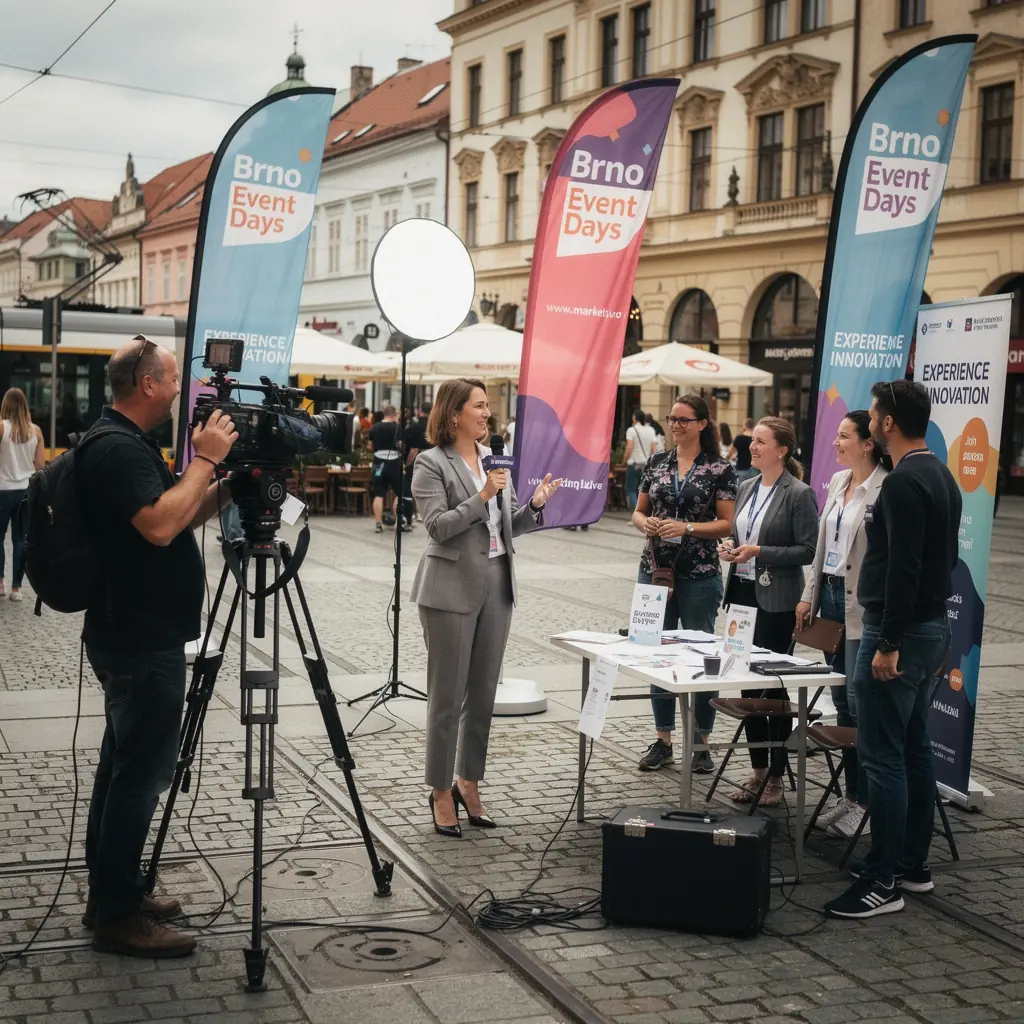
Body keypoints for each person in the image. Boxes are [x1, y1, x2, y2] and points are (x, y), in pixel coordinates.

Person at [78, 335, 238, 957]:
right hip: (139, 640)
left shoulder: (126, 443)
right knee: (138, 779)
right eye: (172, 378)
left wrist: (222, 482)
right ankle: (118, 914)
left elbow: (171, 515)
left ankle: (112, 892)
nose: (180, 389)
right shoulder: (116, 448)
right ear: (146, 385)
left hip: (138, 634)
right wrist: (204, 459)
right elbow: (162, 524)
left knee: (121, 773)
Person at [824, 380, 958, 919]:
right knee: (914, 747)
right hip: (928, 629)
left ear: (886, 423)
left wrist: (887, 643)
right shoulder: (940, 474)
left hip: (897, 632)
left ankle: (883, 880)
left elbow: (904, 569)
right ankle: (912, 865)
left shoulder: (902, 483)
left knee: (883, 757)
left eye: (875, 414)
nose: (872, 420)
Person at [411, 378, 561, 838]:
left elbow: (507, 523)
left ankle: (468, 782)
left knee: (482, 697)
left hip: (498, 583)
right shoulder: (430, 463)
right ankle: (439, 790)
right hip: (450, 589)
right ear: (454, 413)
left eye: (488, 406)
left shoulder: (495, 462)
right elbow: (437, 527)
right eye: (479, 406)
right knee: (446, 697)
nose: (487, 413)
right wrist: (482, 498)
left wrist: (533, 506)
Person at [632, 395, 736, 772]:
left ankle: (701, 742)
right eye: (671, 418)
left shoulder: (719, 469)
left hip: (699, 574)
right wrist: (647, 524)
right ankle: (663, 740)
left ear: (702, 424)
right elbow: (638, 512)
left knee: (702, 656)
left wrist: (687, 527)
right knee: (655, 652)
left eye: (683, 420)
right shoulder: (657, 462)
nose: (675, 425)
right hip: (655, 568)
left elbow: (726, 524)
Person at [796, 411, 888, 840]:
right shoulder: (836, 482)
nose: (835, 442)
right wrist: (809, 593)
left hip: (860, 603)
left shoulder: (885, 488)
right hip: (831, 596)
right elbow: (821, 546)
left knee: (858, 700)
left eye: (843, 436)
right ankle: (852, 796)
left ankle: (867, 802)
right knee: (841, 699)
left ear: (867, 443)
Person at [718, 417, 817, 806]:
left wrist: (760, 553)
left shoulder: (799, 493)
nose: (752, 447)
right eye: (752, 441)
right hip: (742, 595)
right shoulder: (745, 487)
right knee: (746, 685)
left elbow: (807, 550)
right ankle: (757, 769)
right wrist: (731, 548)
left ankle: (776, 775)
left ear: (782, 450)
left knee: (771, 689)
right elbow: (739, 534)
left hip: (776, 603)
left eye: (761, 442)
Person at [0, 387, 44, 600]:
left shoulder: (1, 428)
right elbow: (41, 466)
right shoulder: (35, 431)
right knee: (20, 539)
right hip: (26, 492)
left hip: (2, 490)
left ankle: (0, 583)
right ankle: (16, 588)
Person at [368, 405, 410, 533]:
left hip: (378, 462)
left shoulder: (374, 427)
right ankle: (398, 523)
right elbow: (401, 446)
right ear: (394, 414)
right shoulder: (398, 428)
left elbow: (370, 446)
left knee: (379, 494)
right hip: (394, 463)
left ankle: (378, 524)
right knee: (399, 493)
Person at [624, 408, 656, 510]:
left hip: (634, 464)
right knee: (643, 491)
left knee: (632, 490)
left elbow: (629, 448)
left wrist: (624, 460)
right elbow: (654, 449)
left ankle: (636, 514)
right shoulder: (651, 430)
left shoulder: (631, 430)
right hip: (646, 465)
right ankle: (643, 514)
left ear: (635, 418)